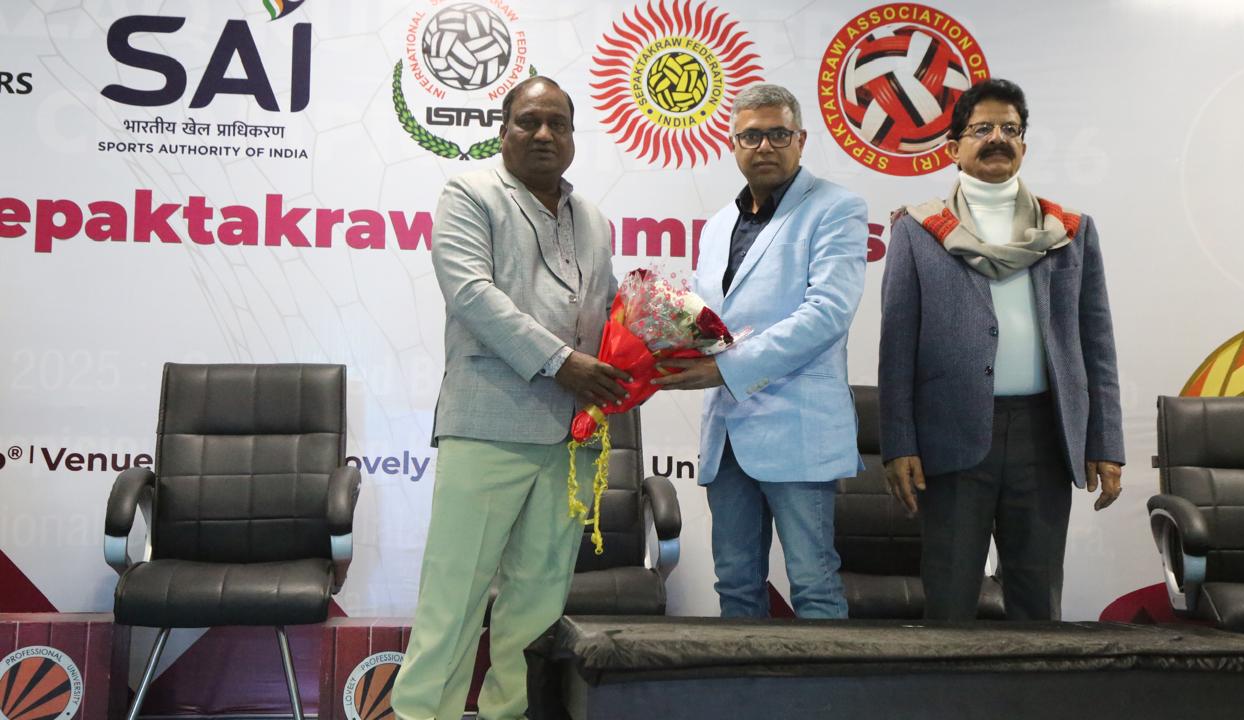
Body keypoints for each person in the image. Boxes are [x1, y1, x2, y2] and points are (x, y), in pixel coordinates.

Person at [391, 76, 628, 720]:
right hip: (488, 425)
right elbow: (472, 294)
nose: (544, 134)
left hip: (572, 436)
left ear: (574, 137)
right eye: (529, 121)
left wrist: (651, 347)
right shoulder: (469, 194)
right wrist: (563, 363)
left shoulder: (595, 220)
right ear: (503, 131)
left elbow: (606, 311)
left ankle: (512, 713)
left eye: (558, 123)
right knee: (454, 597)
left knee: (538, 604)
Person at [878, 78, 1124, 621]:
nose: (997, 138)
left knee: (1038, 606)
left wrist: (1106, 440)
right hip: (950, 434)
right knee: (948, 603)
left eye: (1010, 129)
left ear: (1024, 146)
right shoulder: (918, 231)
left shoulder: (1068, 231)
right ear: (954, 147)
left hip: (1044, 435)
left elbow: (1097, 345)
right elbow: (896, 347)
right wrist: (898, 443)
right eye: (982, 128)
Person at [656, 83, 868, 619]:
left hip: (798, 429)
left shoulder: (837, 208)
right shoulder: (717, 225)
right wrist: (658, 341)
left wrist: (724, 369)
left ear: (801, 140)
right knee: (735, 586)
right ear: (733, 144)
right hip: (727, 435)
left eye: (778, 134)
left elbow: (827, 314)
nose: (765, 146)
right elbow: (709, 322)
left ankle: (829, 682)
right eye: (751, 136)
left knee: (814, 587)